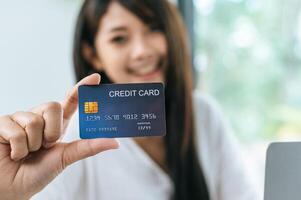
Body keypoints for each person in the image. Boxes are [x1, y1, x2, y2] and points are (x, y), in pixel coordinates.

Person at [0, 0, 259, 200]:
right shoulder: (71, 134)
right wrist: (10, 193)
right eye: (119, 38)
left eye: (154, 29)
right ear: (93, 55)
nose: (142, 51)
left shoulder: (204, 114)